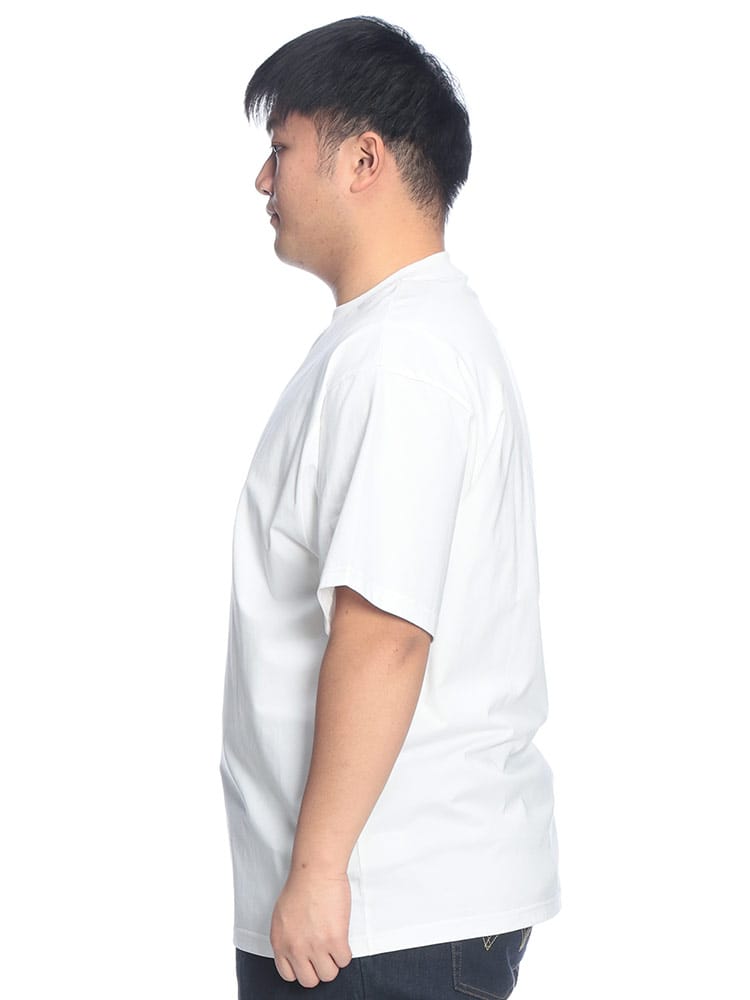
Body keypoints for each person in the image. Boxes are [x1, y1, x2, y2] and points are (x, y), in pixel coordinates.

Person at [220, 15, 561, 998]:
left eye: (283, 147)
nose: (263, 179)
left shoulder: (401, 356)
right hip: (383, 912)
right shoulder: (400, 339)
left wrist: (320, 868)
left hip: (377, 917)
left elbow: (387, 632)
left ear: (363, 159)